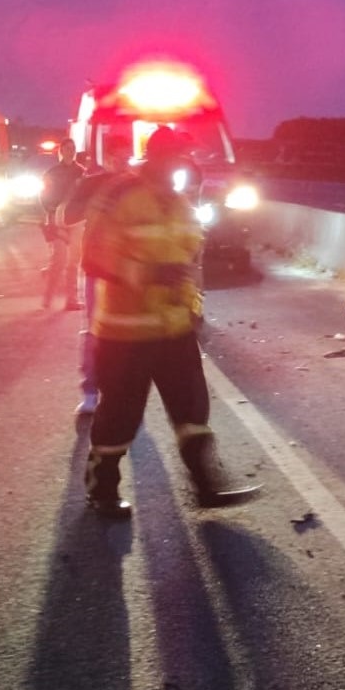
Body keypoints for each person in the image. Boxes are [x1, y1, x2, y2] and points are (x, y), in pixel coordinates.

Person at [81, 126, 256, 518]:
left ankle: (206, 485)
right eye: (177, 155)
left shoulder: (181, 204)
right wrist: (150, 275)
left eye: (186, 155)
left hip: (174, 330)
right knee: (120, 416)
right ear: (157, 156)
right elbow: (93, 256)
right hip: (124, 334)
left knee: (192, 410)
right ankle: (102, 489)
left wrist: (194, 312)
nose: (184, 162)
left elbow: (187, 265)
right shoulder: (119, 196)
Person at [62, 138, 132, 415]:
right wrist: (95, 201)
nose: (122, 161)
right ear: (108, 157)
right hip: (97, 266)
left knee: (126, 333)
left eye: (127, 156)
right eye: (118, 155)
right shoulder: (91, 182)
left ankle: (121, 389)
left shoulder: (136, 185)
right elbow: (68, 215)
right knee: (94, 331)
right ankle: (90, 390)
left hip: (128, 270)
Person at [38, 138, 85, 310]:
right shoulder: (52, 172)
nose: (70, 151)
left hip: (75, 221)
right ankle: (48, 298)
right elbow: (44, 196)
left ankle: (71, 300)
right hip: (57, 220)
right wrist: (52, 214)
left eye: (73, 148)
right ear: (61, 151)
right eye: (67, 148)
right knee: (59, 259)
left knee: (73, 262)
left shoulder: (82, 172)